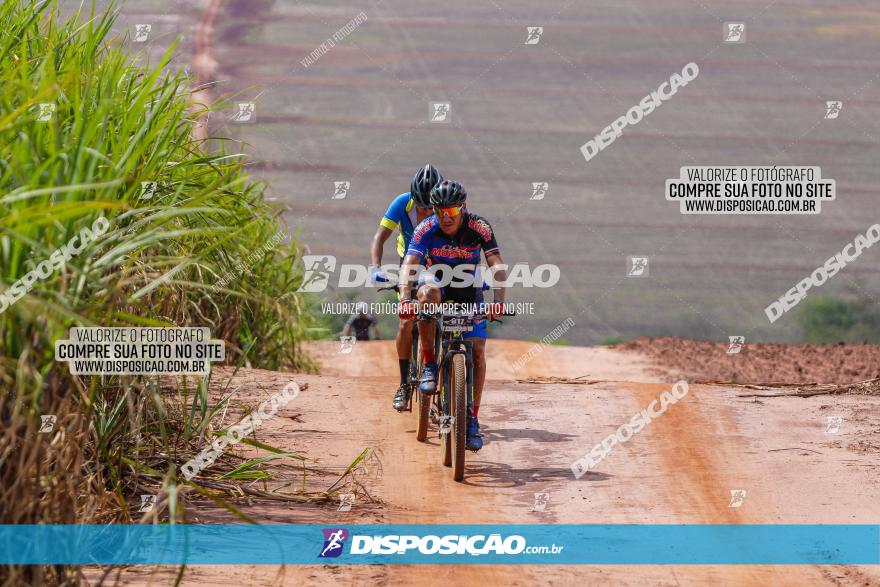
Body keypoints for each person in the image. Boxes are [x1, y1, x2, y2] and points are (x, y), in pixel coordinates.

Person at [397, 179, 507, 451]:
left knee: (478, 351)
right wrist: (404, 298)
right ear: (433, 210)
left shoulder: (478, 227)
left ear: (463, 208)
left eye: (452, 212)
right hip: (436, 281)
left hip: (468, 287)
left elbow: (496, 263)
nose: (446, 217)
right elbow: (410, 265)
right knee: (427, 296)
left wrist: (498, 302)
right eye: (440, 211)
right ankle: (431, 364)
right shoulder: (425, 228)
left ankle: (472, 419)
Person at [370, 164, 444, 411]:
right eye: (421, 205)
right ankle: (403, 384)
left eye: (429, 206)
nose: (425, 210)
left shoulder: (446, 206)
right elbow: (380, 236)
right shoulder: (402, 203)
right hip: (409, 264)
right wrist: (376, 267)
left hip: (440, 264)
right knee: (406, 321)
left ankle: (447, 384)